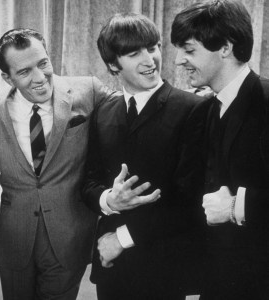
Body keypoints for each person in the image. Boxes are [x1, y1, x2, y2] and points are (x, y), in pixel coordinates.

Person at [82, 13, 205, 299]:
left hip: (163, 266)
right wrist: (108, 200)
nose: (150, 59)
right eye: (134, 53)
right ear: (113, 64)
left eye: (153, 47)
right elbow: (88, 182)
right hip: (111, 266)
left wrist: (121, 239)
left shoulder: (194, 109)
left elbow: (190, 200)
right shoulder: (103, 111)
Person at [0, 28, 115, 300]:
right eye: (24, 72)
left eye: (43, 63)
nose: (39, 78)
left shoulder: (88, 90)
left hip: (68, 235)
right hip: (16, 238)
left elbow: (131, 111)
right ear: (7, 78)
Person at [171, 0, 269, 299]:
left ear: (225, 48)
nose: (177, 61)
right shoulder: (210, 109)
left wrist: (234, 207)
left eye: (189, 50)